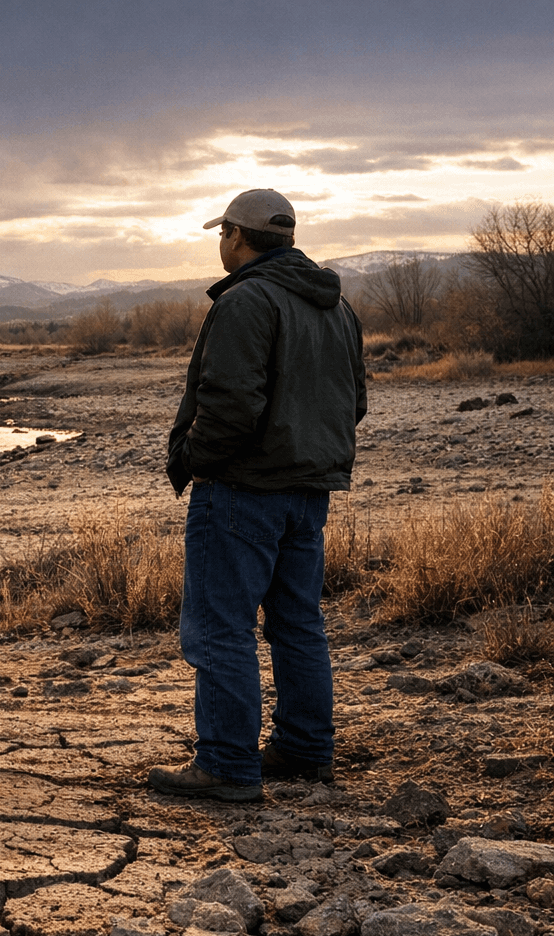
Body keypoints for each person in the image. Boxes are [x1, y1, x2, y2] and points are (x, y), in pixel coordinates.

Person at [148, 188, 366, 802]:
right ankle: (303, 750)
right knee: (298, 623)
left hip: (242, 491)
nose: (221, 244)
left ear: (238, 238)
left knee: (221, 629)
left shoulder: (247, 301)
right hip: (308, 491)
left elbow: (229, 405)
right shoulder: (337, 307)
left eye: (223, 234)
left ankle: (227, 764)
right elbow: (354, 405)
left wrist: (193, 460)